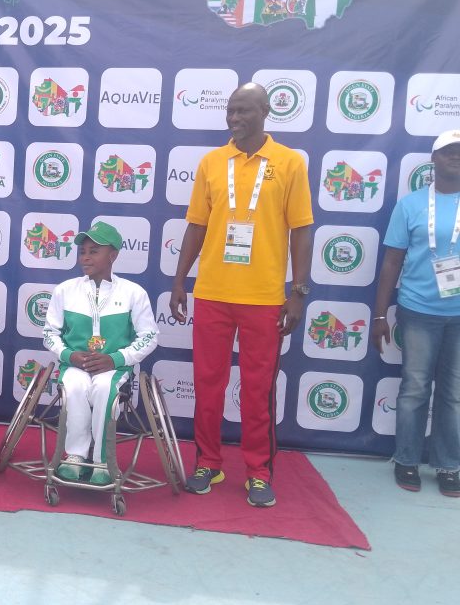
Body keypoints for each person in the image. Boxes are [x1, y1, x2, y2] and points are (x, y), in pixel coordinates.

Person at [169, 82, 314, 507]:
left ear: (266, 111)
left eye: (244, 110)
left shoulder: (289, 162)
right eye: (231, 110)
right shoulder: (213, 162)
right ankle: (208, 463)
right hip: (213, 292)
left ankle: (258, 472)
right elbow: (197, 224)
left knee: (257, 389)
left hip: (264, 297)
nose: (235, 118)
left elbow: (302, 230)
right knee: (207, 383)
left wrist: (298, 292)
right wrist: (179, 281)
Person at [372, 129, 460, 497]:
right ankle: (406, 459)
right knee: (415, 388)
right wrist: (379, 316)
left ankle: (449, 465)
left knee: (454, 394)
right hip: (418, 311)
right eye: (448, 151)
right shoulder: (410, 205)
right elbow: (391, 261)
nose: (455, 156)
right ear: (433, 159)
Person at [43, 222, 159, 483]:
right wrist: (69, 355)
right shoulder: (65, 290)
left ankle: (101, 461)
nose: (85, 257)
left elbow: (149, 336)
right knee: (74, 386)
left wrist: (115, 359)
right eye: (83, 251)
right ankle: (75, 457)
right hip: (75, 365)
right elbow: (49, 333)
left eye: (94, 251)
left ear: (113, 256)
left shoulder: (133, 293)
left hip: (114, 368)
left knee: (105, 388)